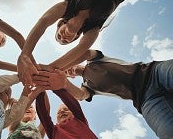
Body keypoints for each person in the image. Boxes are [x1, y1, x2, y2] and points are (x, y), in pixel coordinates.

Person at [33, 50, 173, 139]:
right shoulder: (88, 88)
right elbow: (78, 97)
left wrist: (57, 68)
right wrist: (53, 82)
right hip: (145, 100)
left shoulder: (95, 59)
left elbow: (86, 52)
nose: (70, 70)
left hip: (153, 72)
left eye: (69, 67)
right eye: (68, 72)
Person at [17, 0, 129, 85]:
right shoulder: (93, 28)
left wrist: (25, 55)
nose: (63, 38)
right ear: (76, 37)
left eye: (58, 35)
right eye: (65, 41)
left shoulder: (68, 6)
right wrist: (53, 68)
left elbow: (44, 21)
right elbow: (82, 48)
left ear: (60, 24)